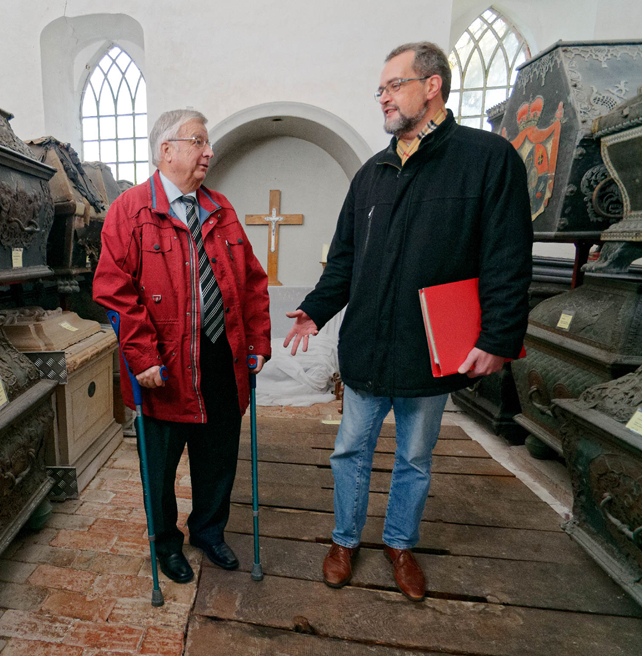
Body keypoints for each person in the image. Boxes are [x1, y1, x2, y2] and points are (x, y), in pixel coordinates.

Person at [284, 42, 532, 601]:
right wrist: (316, 309)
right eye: (381, 89)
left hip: (430, 349)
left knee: (415, 458)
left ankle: (399, 543)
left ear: (432, 85)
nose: (384, 97)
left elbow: (508, 257)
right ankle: (344, 540)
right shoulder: (372, 173)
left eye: (394, 85)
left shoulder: (487, 159)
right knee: (350, 451)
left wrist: (498, 337)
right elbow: (345, 258)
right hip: (368, 345)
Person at [94, 109, 271, 583]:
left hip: (221, 360)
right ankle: (166, 545)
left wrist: (257, 342)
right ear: (166, 150)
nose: (209, 151)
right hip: (164, 369)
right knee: (160, 470)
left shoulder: (221, 208)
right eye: (198, 142)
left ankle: (209, 532)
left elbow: (252, 282)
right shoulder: (130, 210)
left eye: (207, 143)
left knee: (218, 460)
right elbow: (114, 290)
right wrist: (142, 356)